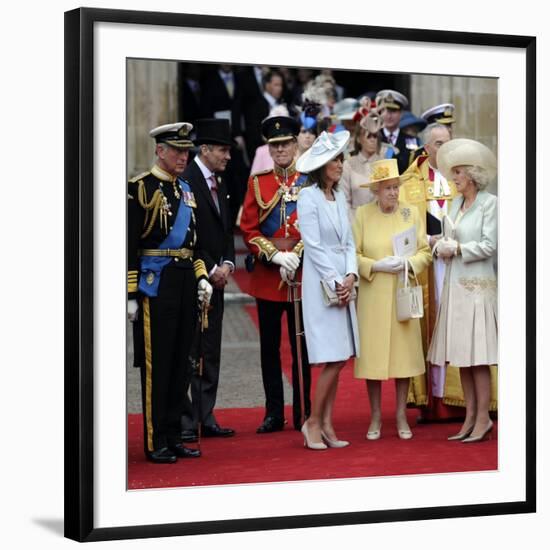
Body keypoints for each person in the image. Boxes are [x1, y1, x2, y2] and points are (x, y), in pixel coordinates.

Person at [127, 122, 212, 463]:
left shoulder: (186, 190)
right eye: (176, 150)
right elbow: (129, 242)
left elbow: (194, 243)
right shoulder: (140, 188)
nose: (183, 156)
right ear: (160, 151)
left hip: (184, 281)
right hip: (155, 284)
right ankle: (155, 439)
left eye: (186, 150)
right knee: (157, 365)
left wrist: (202, 277)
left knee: (181, 364)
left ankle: (175, 434)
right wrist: (130, 292)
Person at [240, 115, 312, 433]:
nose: (280, 149)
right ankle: (273, 413)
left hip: (301, 274)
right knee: (269, 349)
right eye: (275, 145)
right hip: (269, 277)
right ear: (269, 149)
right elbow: (249, 228)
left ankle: (304, 411)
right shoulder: (258, 182)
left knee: (302, 348)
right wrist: (275, 255)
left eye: (285, 144)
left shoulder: (309, 181)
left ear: (296, 145)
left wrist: (295, 256)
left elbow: (315, 227)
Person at [353, 158, 431, 440]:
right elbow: (354, 254)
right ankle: (375, 416)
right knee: (373, 359)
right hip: (373, 295)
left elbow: (425, 251)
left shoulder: (411, 213)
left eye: (396, 187)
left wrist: (408, 265)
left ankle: (400, 415)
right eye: (387, 188)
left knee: (403, 358)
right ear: (376, 190)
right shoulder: (362, 215)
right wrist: (374, 266)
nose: (393, 193)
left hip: (402, 291)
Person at [427, 139, 498, 443]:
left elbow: (490, 245)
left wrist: (456, 247)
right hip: (455, 287)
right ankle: (470, 416)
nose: (453, 178)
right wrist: (438, 245)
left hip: (478, 289)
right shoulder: (455, 204)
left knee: (478, 359)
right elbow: (449, 238)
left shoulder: (490, 203)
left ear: (470, 174)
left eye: (457, 173)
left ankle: (483, 418)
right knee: (463, 358)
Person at [296, 130, 360, 450]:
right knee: (331, 358)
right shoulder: (308, 197)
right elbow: (314, 245)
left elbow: (349, 242)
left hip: (342, 283)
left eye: (341, 158)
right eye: (335, 159)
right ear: (321, 165)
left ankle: (327, 424)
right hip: (320, 283)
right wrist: (336, 280)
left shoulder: (339, 198)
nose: (340, 164)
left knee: (340, 357)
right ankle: (312, 422)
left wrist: (350, 275)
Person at [179, 118, 236, 442]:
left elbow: (226, 230)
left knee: (211, 348)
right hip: (195, 279)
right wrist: (211, 268)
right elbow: (189, 233)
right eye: (223, 150)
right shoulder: (186, 181)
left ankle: (206, 414)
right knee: (191, 351)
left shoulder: (220, 181)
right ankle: (187, 418)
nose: (228, 156)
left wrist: (227, 263)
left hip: (217, 278)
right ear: (206, 149)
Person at [401, 123, 464, 417]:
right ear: (426, 148)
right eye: (439, 143)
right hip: (428, 265)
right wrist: (429, 241)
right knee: (433, 324)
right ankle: (434, 400)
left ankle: (462, 398)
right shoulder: (409, 181)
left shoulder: (463, 175)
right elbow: (401, 229)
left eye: (448, 142)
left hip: (458, 262)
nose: (445, 148)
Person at [340, 108, 384, 222]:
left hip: (381, 221)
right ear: (359, 139)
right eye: (369, 136)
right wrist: (353, 226)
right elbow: (344, 200)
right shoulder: (348, 164)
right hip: (355, 222)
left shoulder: (384, 163)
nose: (373, 140)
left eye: (375, 136)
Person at [376, 90, 420, 174]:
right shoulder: (374, 137)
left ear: (401, 113)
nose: (389, 116)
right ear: (381, 112)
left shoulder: (412, 140)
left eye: (393, 111)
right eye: (385, 111)